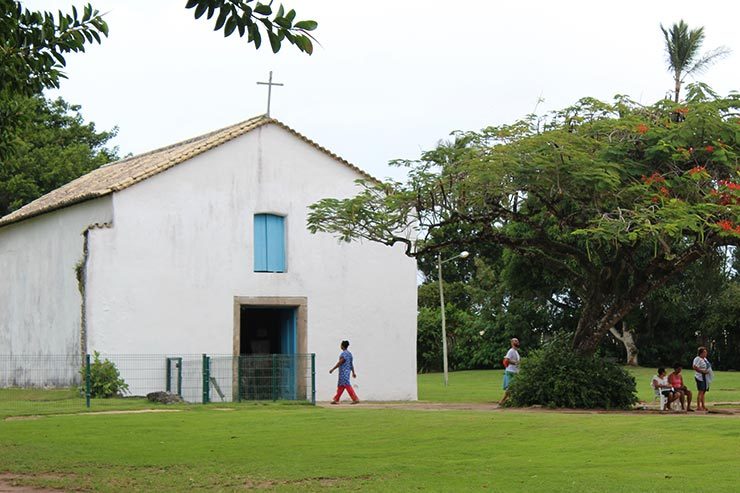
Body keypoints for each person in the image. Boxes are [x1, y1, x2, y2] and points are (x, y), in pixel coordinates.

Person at [329, 340, 359, 404]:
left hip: (343, 372)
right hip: (347, 372)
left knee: (347, 385)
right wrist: (353, 372)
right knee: (341, 386)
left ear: (342, 346)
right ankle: (336, 399)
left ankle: (355, 399)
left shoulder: (343, 354)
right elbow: (351, 364)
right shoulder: (350, 354)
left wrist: (333, 369)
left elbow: (340, 362)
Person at [498, 338, 521, 405]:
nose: (517, 342)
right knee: (510, 387)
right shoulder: (511, 351)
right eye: (515, 341)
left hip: (515, 371)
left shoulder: (516, 351)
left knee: (514, 387)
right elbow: (507, 360)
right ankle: (502, 401)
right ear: (512, 343)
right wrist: (515, 362)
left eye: (517, 341)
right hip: (510, 371)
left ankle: (509, 400)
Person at [692, 346, 713, 412]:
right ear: (701, 353)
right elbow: (694, 367)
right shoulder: (697, 359)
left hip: (705, 377)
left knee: (703, 392)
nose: (706, 353)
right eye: (704, 352)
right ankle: (698, 406)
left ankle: (703, 405)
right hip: (700, 377)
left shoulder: (705, 359)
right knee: (700, 391)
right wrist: (702, 371)